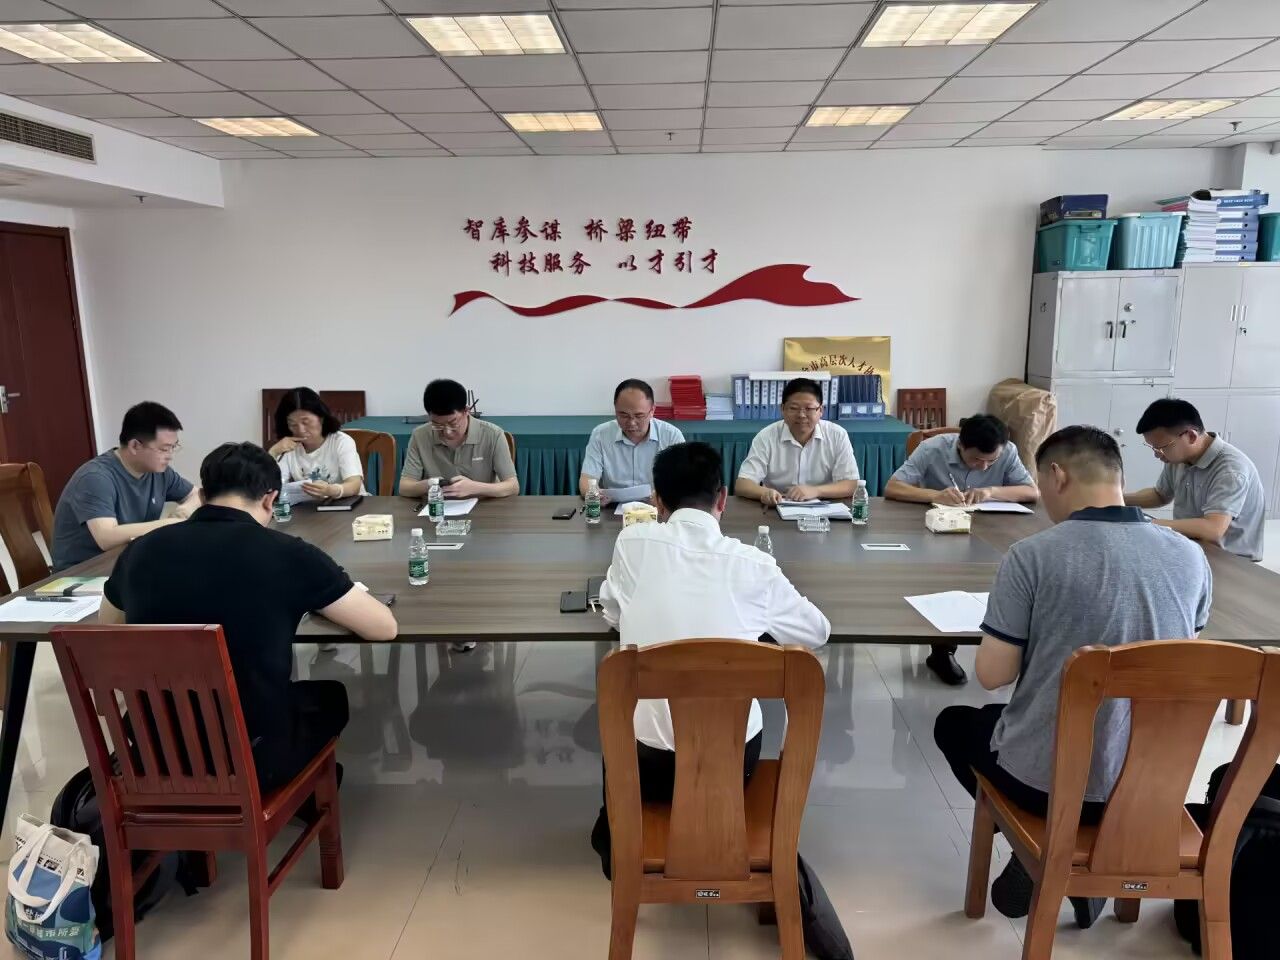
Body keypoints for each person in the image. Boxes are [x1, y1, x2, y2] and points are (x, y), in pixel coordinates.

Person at [933, 426, 1212, 927]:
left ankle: (1035, 850)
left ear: (1057, 476)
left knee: (955, 723)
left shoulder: (1033, 555)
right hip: (1151, 791)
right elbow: (1180, 657)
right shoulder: (1190, 555)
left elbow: (993, 675)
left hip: (1046, 788)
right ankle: (1070, 861)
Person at [99, 441, 398, 795]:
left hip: (154, 748)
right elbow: (383, 628)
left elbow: (106, 634)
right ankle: (295, 791)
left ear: (203, 495)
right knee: (330, 697)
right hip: (252, 753)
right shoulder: (289, 555)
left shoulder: (139, 550)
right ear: (271, 499)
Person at [590, 441, 830, 877]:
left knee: (622, 720)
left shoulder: (633, 542)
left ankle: (618, 831)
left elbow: (611, 611)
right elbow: (817, 632)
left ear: (657, 501)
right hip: (734, 766)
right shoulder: (755, 565)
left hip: (645, 765)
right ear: (722, 498)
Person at [884, 414, 1040, 686]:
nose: (983, 466)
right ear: (960, 445)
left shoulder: (1008, 451)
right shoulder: (932, 448)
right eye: (976, 460)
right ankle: (943, 651)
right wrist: (934, 495)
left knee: (1008, 578)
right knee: (945, 578)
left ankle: (1005, 646)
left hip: (989, 531)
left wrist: (991, 491)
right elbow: (892, 487)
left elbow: (1031, 492)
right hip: (938, 533)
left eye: (991, 462)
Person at [51, 401, 201, 571]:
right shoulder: (95, 477)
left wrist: (184, 512)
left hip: (128, 561)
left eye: (174, 447)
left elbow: (197, 495)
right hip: (83, 573)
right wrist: (169, 524)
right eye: (164, 449)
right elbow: (106, 537)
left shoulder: (160, 472)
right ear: (135, 446)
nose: (170, 456)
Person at [1124, 398, 1265, 561]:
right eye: (1153, 447)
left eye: (1162, 447)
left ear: (1191, 436)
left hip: (1231, 560)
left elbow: (1213, 529)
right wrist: (1116, 499)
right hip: (1193, 549)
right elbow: (1160, 495)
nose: (1157, 454)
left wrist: (1149, 524)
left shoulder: (1230, 470)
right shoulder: (1178, 458)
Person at [734, 378, 859, 505]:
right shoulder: (766, 436)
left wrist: (816, 491)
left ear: (821, 410)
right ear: (782, 409)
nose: (801, 415)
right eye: (794, 408)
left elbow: (851, 484)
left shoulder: (837, 435)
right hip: (778, 506)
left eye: (809, 408)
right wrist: (765, 492)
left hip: (825, 508)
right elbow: (742, 484)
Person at [399, 379, 518, 500]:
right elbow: (404, 487)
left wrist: (475, 488)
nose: (447, 432)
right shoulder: (420, 435)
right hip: (438, 507)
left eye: (453, 423)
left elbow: (513, 486)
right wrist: (430, 484)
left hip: (483, 506)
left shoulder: (493, 434)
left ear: (466, 411)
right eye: (437, 424)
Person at [579, 378, 685, 505]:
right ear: (615, 410)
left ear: (652, 411)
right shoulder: (601, 434)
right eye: (623, 415)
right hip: (612, 508)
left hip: (658, 507)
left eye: (639, 416)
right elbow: (587, 480)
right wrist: (594, 496)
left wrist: (664, 497)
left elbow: (685, 480)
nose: (631, 422)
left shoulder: (671, 435)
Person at [268, 388, 366, 502]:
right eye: (293, 424)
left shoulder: (341, 441)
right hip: (312, 509)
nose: (300, 430)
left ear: (321, 418)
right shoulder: (289, 447)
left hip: (353, 505)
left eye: (306, 422)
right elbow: (273, 488)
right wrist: (273, 452)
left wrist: (331, 490)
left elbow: (354, 484)